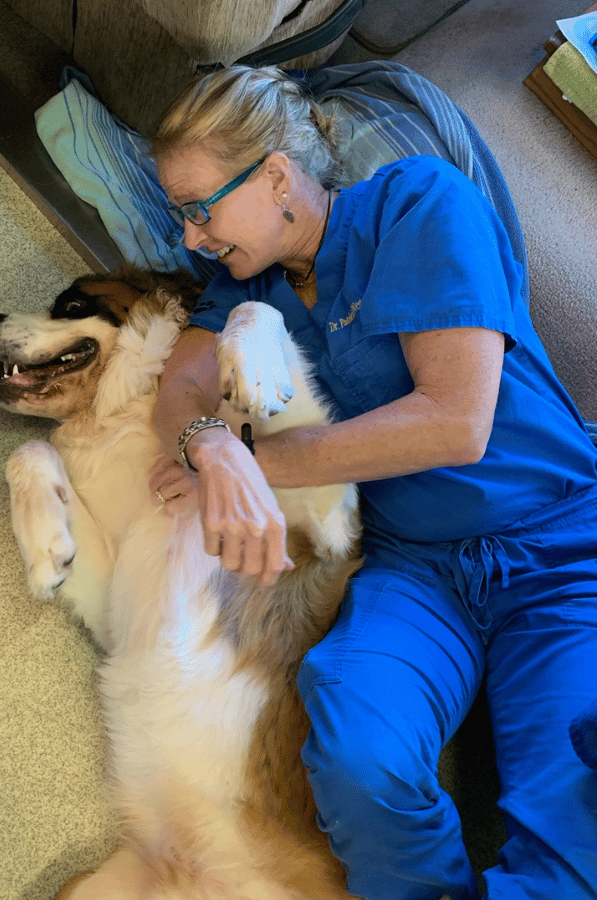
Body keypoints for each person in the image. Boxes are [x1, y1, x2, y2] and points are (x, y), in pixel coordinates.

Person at [147, 65, 597, 900]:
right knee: (355, 749)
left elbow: (454, 421)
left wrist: (259, 464)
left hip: (561, 544)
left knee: (579, 816)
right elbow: (178, 389)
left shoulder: (418, 202)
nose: (190, 238)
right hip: (413, 569)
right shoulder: (243, 289)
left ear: (278, 175)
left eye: (201, 209)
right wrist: (210, 449)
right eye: (181, 215)